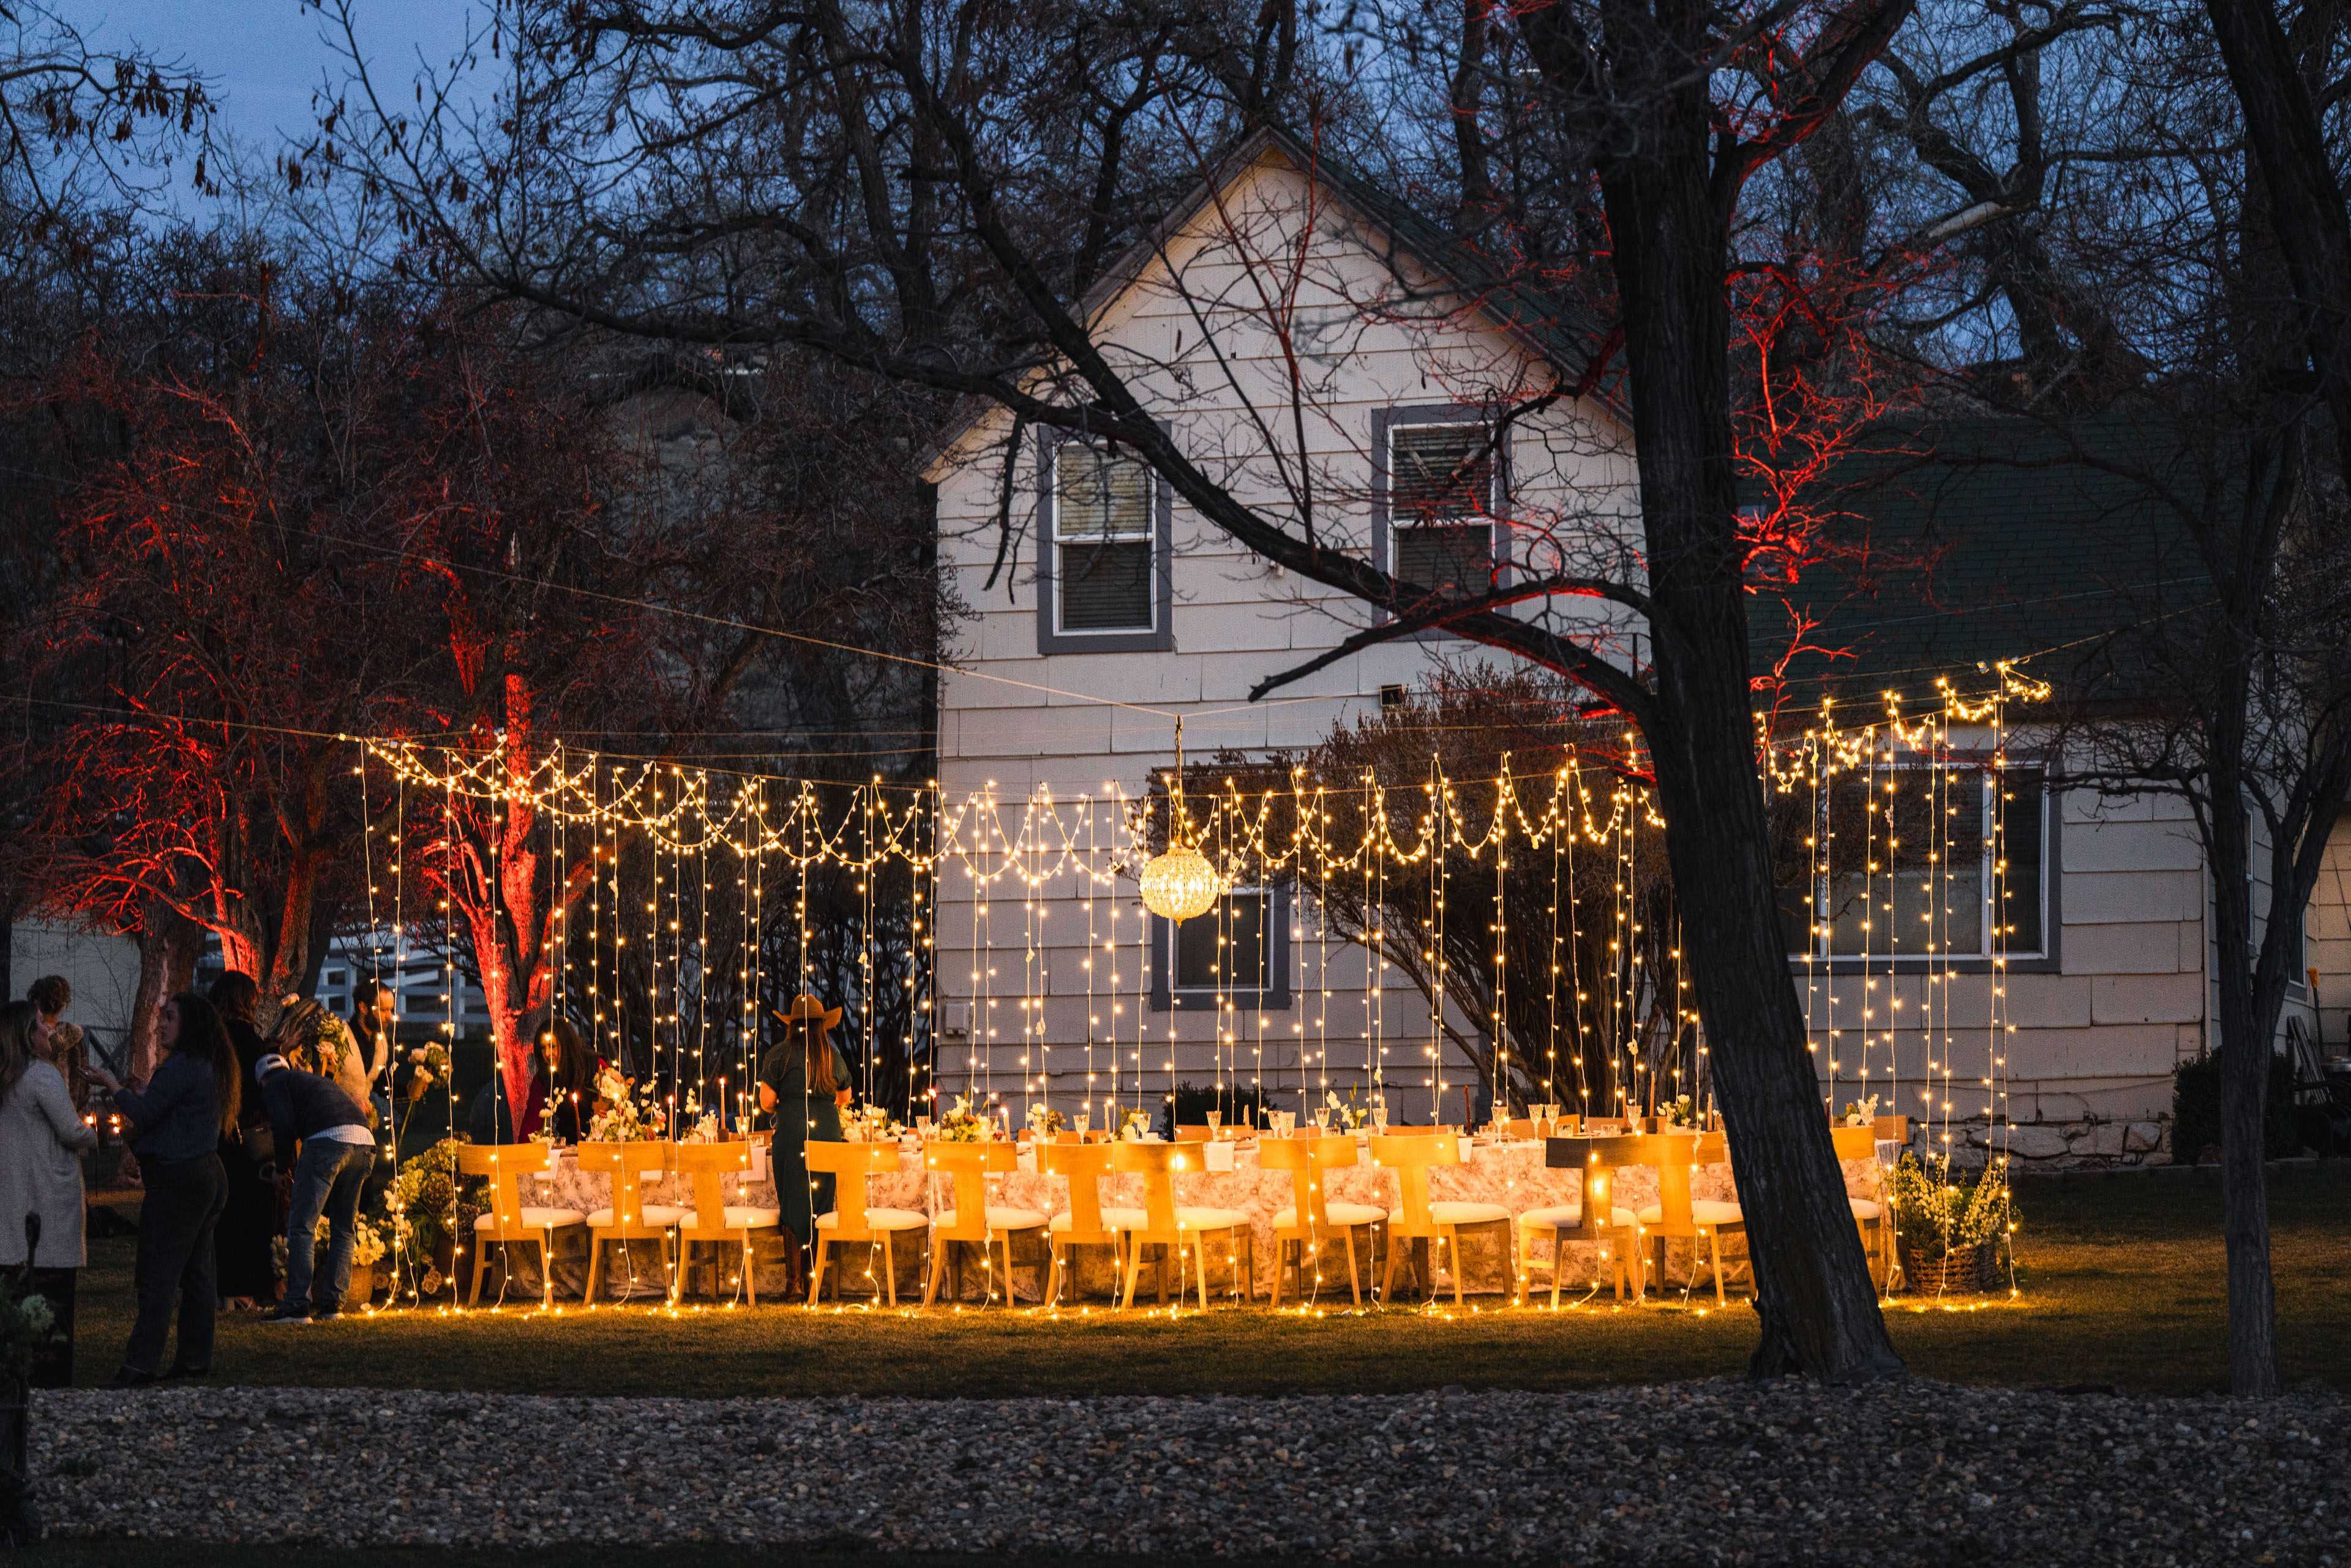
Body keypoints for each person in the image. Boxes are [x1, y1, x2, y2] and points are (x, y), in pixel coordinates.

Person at [91, 990, 238, 1387]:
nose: (162, 1024)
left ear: (188, 1023)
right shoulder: (205, 1066)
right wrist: (140, 1091)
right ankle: (193, 1361)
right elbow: (166, 1107)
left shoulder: (181, 1067)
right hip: (207, 1175)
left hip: (178, 1182)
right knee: (197, 1274)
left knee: (159, 1275)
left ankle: (139, 1365)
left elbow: (144, 1114)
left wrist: (111, 1084)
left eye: (169, 1017)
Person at [0, 999, 97, 1388]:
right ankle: (50, 1375)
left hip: (13, 1193)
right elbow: (72, 1130)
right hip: (45, 1195)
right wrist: (95, 1135)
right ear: (28, 1035)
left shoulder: (9, 1078)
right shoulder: (42, 1076)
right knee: (51, 1289)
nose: (51, 1032)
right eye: (43, 1025)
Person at [253, 1053, 373, 1324]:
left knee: (302, 1225)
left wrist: (282, 1169)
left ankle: (297, 1305)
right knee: (344, 1227)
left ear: (261, 1081)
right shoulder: (311, 1080)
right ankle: (333, 1304)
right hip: (365, 1142)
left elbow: (283, 1128)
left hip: (327, 1142)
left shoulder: (275, 1084)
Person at [756, 994, 853, 1286]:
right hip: (825, 1133)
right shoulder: (832, 1056)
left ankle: (793, 1280)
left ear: (792, 1025)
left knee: (792, 1200)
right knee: (819, 1202)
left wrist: (785, 1104)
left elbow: (766, 1100)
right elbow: (845, 1097)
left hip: (791, 1131)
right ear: (822, 1026)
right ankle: (816, 1277)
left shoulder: (779, 1054)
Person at [206, 973, 279, 1311]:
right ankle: (244, 1288)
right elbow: (260, 1084)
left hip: (215, 1134)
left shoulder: (211, 1038)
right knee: (248, 1213)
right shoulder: (246, 1038)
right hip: (244, 1137)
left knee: (220, 1213)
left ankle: (220, 1286)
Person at [527, 1013, 603, 1143]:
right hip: (566, 1150)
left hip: (601, 1147)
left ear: (565, 1044)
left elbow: (617, 1105)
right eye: (543, 1048)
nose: (547, 1054)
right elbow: (531, 1123)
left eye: (552, 1046)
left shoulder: (594, 1065)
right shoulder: (543, 1079)